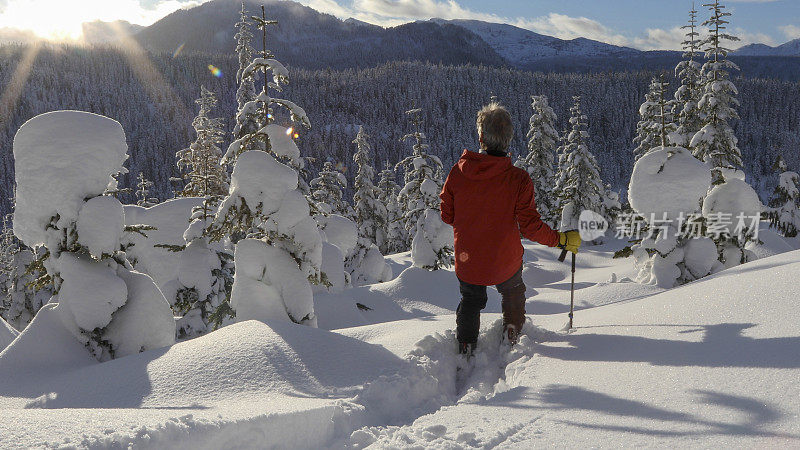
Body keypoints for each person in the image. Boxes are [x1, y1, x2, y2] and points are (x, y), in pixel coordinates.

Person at [439, 103, 581, 356]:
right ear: (509, 139)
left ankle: (466, 348)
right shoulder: (518, 179)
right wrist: (561, 240)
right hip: (504, 259)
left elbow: (447, 215)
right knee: (513, 292)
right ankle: (512, 340)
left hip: (468, 258)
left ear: (481, 137)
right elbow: (530, 227)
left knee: (471, 301)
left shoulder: (458, 174)